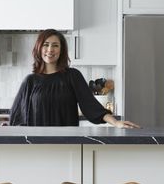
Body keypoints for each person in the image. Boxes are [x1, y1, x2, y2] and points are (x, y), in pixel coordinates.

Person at [9, 29, 140, 128]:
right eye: (46, 44)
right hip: (37, 147)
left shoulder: (72, 76)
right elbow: (18, 117)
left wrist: (116, 122)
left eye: (55, 45)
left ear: (61, 50)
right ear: (39, 48)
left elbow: (91, 106)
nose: (50, 49)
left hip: (67, 145)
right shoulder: (30, 81)